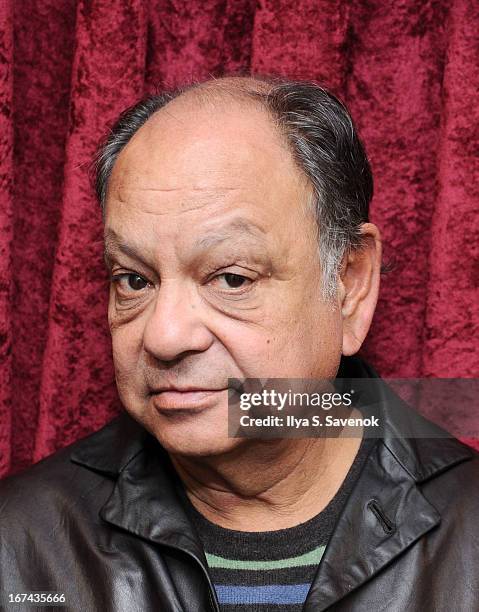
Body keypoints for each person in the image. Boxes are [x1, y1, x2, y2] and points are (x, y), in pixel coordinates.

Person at [0, 75, 478, 612]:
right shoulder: (19, 546)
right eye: (134, 279)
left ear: (349, 285)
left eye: (231, 278)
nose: (164, 336)